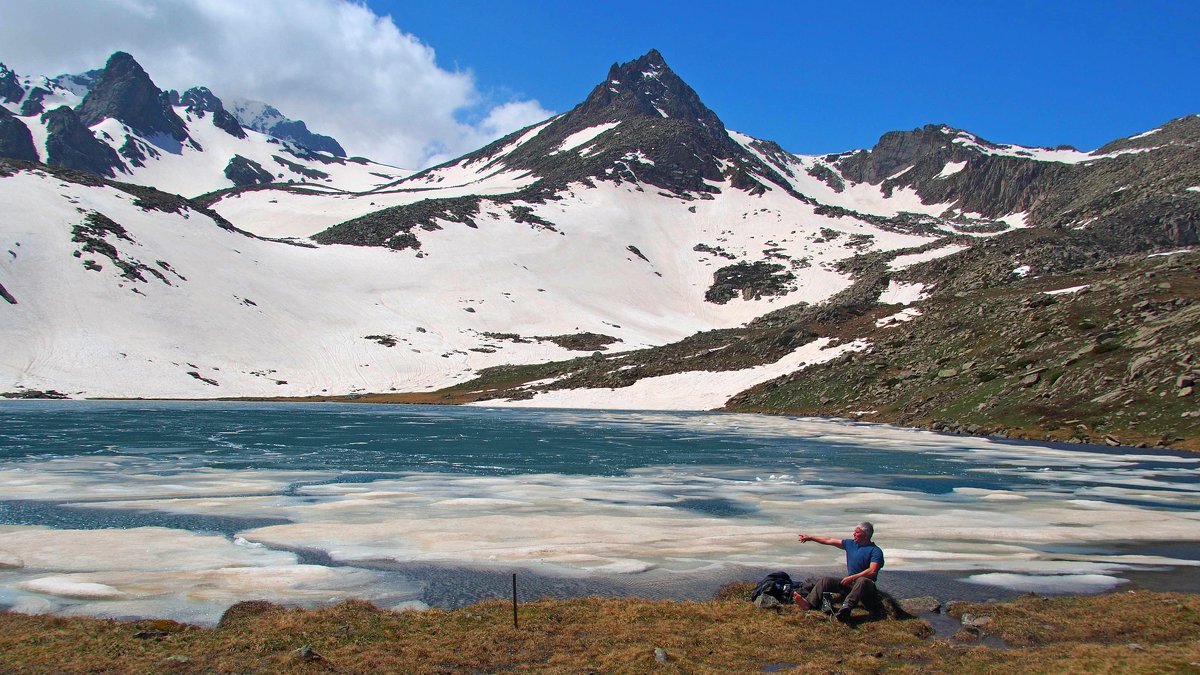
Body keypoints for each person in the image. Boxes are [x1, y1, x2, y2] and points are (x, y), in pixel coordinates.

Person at [795, 522, 884, 623]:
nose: (853, 534)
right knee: (825, 581)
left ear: (866, 535)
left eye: (857, 532)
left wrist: (852, 578)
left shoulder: (875, 551)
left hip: (866, 587)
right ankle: (809, 604)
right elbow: (829, 540)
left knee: (862, 580)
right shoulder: (851, 544)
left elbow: (872, 571)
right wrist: (810, 538)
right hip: (851, 584)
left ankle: (846, 609)